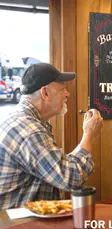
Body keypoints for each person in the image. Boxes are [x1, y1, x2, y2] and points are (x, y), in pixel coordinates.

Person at [0, 63, 103, 210]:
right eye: (62, 89)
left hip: (26, 223)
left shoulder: (26, 121)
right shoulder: (29, 131)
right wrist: (89, 134)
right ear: (45, 93)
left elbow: (57, 166)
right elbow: (71, 177)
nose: (67, 94)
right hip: (17, 228)